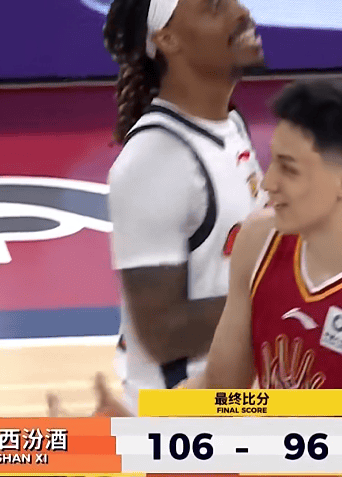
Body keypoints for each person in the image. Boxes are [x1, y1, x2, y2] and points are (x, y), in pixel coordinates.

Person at [101, 79, 342, 417]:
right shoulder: (258, 243)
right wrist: (140, 424)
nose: (268, 184)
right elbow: (222, 392)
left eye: (289, 168)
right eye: (272, 161)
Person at [103, 0, 270, 413]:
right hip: (183, 417)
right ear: (168, 39)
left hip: (235, 395)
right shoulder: (155, 159)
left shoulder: (230, 124)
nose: (241, 11)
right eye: (214, 6)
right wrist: (286, 303)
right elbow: (161, 334)